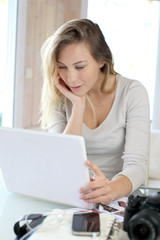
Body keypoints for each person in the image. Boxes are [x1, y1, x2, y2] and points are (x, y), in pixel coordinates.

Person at [40, 19, 150, 205]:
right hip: (70, 195)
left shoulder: (132, 92)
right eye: (62, 67)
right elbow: (62, 162)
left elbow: (137, 166)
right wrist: (78, 105)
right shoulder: (59, 93)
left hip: (116, 197)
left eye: (80, 67)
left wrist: (109, 189)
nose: (71, 78)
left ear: (101, 60)